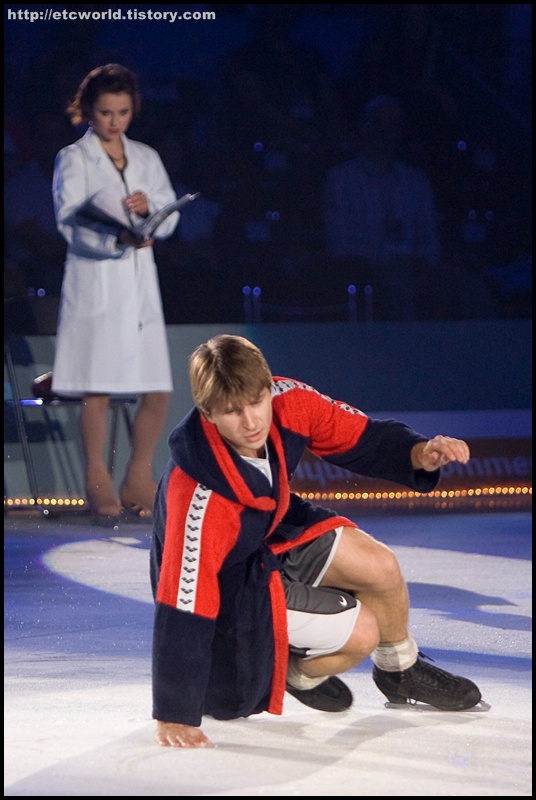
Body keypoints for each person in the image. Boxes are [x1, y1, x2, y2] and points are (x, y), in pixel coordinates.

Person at [150, 334, 485, 748]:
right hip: (230, 583)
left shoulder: (291, 401)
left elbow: (360, 436)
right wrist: (174, 711)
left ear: (269, 388)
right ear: (207, 413)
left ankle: (400, 672)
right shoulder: (197, 495)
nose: (252, 421)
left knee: (380, 566)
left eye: (257, 402)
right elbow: (184, 598)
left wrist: (418, 452)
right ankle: (293, 671)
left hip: (270, 529)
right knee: (364, 631)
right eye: (232, 412)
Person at [51, 64, 180, 518]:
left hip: (139, 279)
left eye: (123, 112)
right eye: (105, 112)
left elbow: (171, 213)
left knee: (156, 388)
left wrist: (150, 212)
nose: (114, 121)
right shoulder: (74, 158)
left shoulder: (146, 156)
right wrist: (114, 237)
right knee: (98, 388)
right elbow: (69, 222)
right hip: (97, 279)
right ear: (89, 110)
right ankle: (97, 478)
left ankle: (138, 476)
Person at [324, 94, 441, 321]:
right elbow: (340, 243)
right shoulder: (341, 179)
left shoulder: (416, 180)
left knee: (470, 288)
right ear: (364, 127)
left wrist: (420, 261)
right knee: (399, 282)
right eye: (378, 124)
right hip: (369, 269)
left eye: (393, 125)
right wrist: (384, 260)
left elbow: (430, 238)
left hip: (419, 268)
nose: (385, 132)